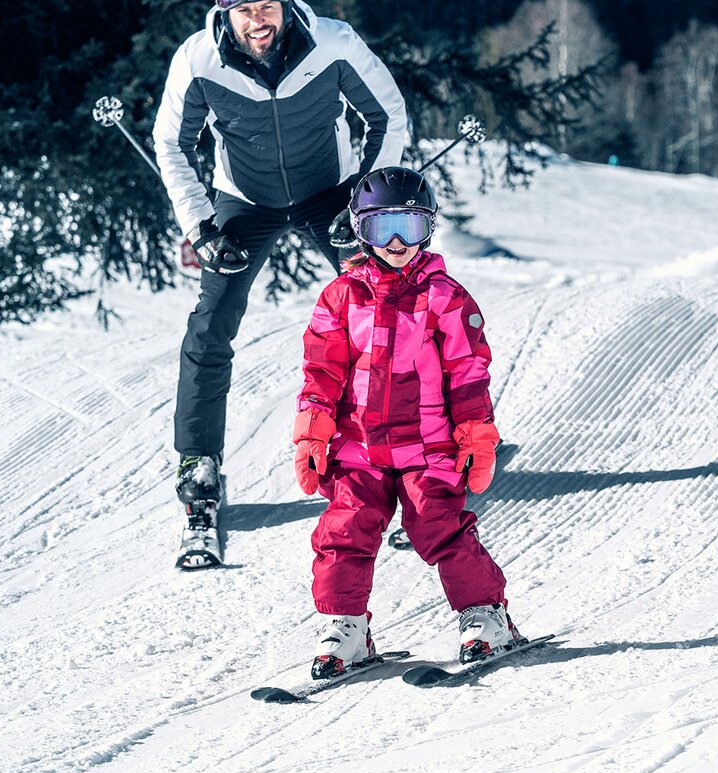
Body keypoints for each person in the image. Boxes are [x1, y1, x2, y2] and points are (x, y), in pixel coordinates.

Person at [152, 0, 410, 567]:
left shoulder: (334, 43)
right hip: (246, 202)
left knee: (394, 312)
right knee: (210, 325)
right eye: (245, 9)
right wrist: (200, 226)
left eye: (267, 4)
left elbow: (387, 114)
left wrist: (363, 201)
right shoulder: (198, 59)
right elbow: (170, 142)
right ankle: (199, 467)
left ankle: (424, 455)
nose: (258, 19)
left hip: (331, 196)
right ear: (226, 13)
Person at [291, 166, 519, 677]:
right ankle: (346, 626)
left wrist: (476, 435)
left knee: (440, 528)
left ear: (430, 229)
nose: (397, 243)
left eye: (410, 228)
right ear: (359, 231)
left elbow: (468, 372)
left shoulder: (447, 298)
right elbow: (321, 369)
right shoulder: (341, 297)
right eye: (382, 228)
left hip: (428, 449)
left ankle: (485, 615)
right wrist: (314, 430)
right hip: (358, 451)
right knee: (343, 531)